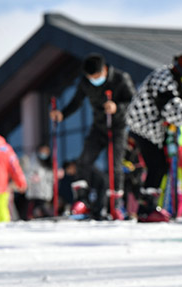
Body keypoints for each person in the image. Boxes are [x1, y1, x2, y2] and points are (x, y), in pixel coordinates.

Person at [50, 53, 135, 220]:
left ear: (104, 70)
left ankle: (115, 205)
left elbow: (133, 102)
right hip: (99, 127)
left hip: (117, 127)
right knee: (83, 161)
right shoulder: (85, 82)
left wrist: (117, 107)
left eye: (96, 76)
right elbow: (76, 101)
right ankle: (82, 199)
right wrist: (62, 114)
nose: (93, 79)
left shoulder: (121, 78)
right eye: (90, 77)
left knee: (114, 165)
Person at [126, 52, 182, 222]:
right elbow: (170, 106)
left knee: (158, 166)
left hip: (149, 127)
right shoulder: (164, 78)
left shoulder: (169, 76)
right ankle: (146, 209)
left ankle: (147, 207)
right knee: (157, 165)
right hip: (143, 125)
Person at [19, 143, 55, 219]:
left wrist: (56, 175)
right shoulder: (32, 161)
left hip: (45, 194)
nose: (44, 154)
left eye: (46, 152)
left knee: (44, 211)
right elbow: (26, 174)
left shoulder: (50, 164)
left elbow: (51, 179)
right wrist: (32, 178)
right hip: (34, 193)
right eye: (43, 151)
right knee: (33, 211)